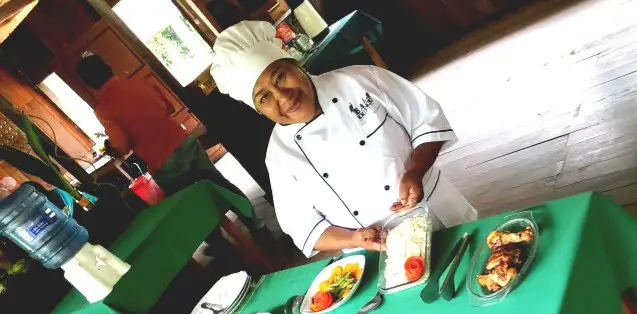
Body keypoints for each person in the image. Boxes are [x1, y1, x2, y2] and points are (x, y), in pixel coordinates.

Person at [210, 21, 476, 257]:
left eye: (280, 76)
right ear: (258, 110)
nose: (282, 96)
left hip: (437, 210)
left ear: (296, 65)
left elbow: (426, 118)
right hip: (377, 252)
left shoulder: (361, 80)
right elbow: (302, 226)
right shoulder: (279, 155)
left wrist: (415, 170)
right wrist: (353, 239)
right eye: (264, 98)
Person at [75, 53, 275, 258]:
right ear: (108, 66)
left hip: (164, 162)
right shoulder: (138, 82)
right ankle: (258, 228)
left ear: (88, 84)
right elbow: (168, 108)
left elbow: (122, 145)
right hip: (186, 142)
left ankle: (222, 246)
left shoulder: (104, 109)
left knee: (193, 205)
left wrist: (110, 146)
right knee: (221, 183)